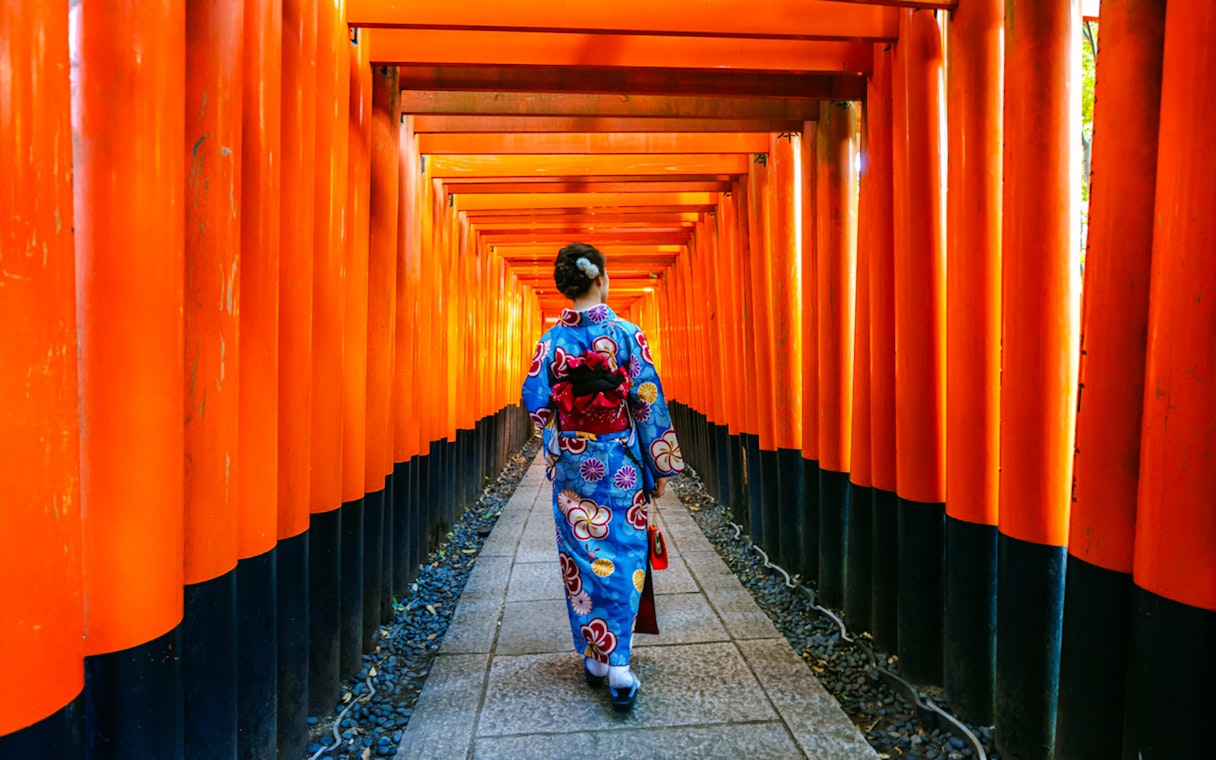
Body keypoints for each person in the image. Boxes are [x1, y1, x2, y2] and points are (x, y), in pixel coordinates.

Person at [521, 242, 685, 713]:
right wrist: (659, 466)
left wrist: (559, 447)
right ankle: (620, 666)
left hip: (576, 466)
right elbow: (648, 402)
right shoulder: (630, 335)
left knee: (582, 556)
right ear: (601, 279)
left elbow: (538, 405)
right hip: (620, 465)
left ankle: (597, 655)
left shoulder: (549, 344)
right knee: (625, 554)